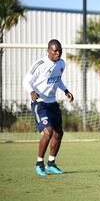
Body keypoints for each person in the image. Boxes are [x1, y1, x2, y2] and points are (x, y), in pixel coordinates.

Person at [23, 39, 74, 177]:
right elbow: (26, 81)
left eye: (60, 50)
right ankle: (39, 163)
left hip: (52, 103)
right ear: (48, 51)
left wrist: (66, 91)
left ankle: (51, 163)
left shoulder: (61, 64)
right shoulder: (40, 64)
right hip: (40, 103)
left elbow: (57, 80)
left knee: (59, 133)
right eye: (55, 50)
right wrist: (31, 92)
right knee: (48, 132)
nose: (58, 53)